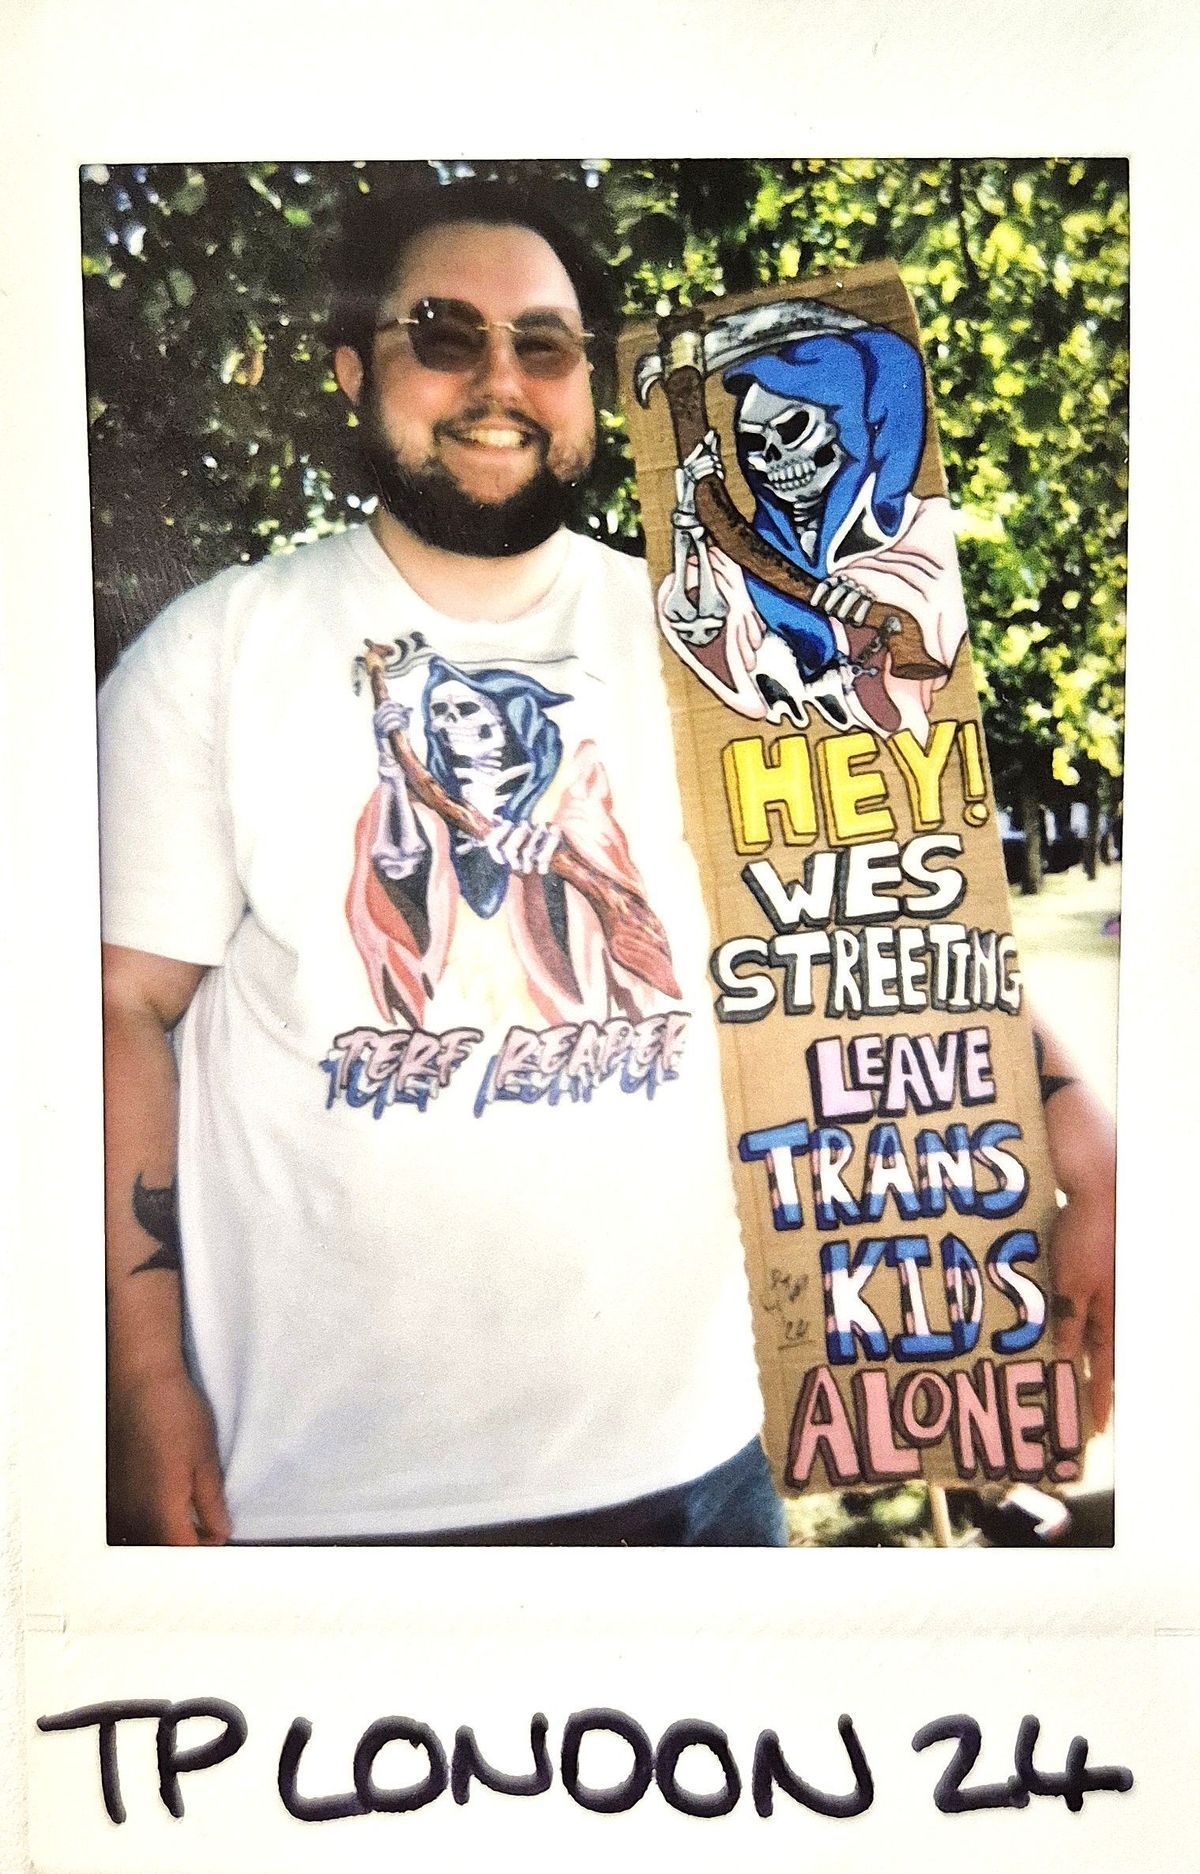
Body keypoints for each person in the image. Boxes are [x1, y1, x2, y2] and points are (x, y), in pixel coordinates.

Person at [99, 178, 1115, 1548]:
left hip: (703, 1474)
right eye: (444, 333)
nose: (499, 378)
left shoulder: (721, 638)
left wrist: (1077, 1127)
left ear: (596, 382)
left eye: (546, 342)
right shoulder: (216, 651)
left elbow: (875, 912)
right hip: (329, 1503)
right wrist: (148, 1377)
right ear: (354, 369)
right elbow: (119, 1009)